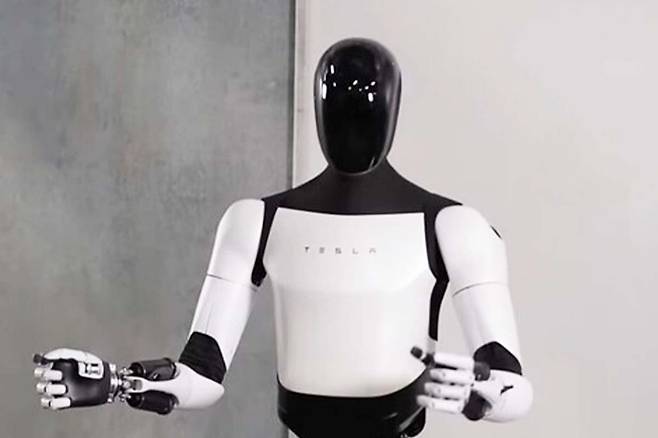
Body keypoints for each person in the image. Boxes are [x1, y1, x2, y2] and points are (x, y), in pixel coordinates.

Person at [33, 38, 532, 438]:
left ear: (392, 108)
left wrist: (482, 391)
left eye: (366, 103)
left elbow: (513, 386)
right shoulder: (255, 221)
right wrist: (120, 382)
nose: (351, 121)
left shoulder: (452, 227)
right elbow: (203, 375)